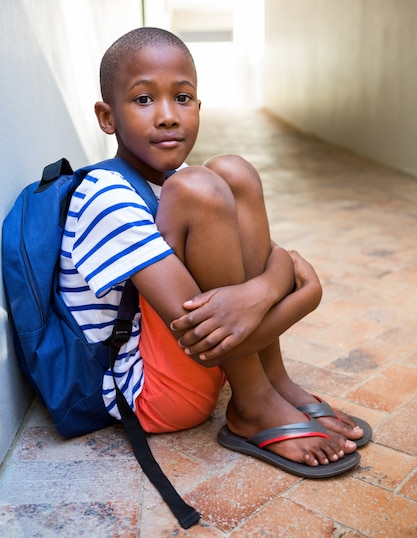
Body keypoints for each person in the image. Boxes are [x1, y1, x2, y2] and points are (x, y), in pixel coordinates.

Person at [60, 27, 371, 477]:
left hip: (199, 352)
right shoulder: (106, 196)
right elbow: (204, 340)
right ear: (107, 117)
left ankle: (273, 382)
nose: (168, 116)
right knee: (200, 186)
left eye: (182, 98)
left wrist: (256, 293)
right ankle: (253, 404)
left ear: (199, 107)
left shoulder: (182, 179)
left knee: (233, 170)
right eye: (144, 99)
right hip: (152, 391)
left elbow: (278, 258)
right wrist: (300, 297)